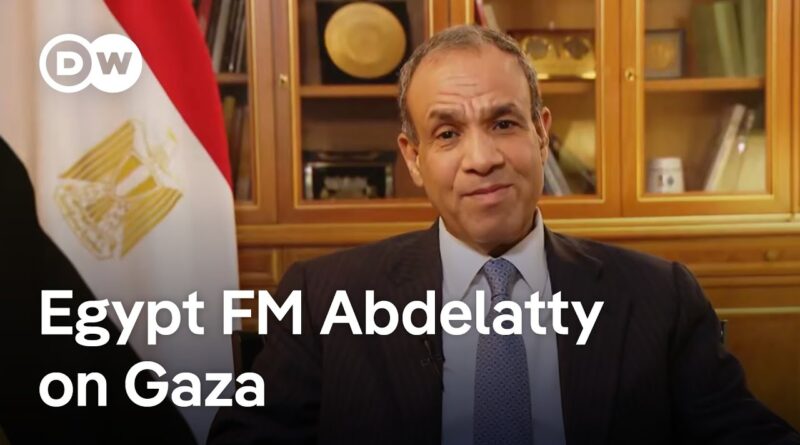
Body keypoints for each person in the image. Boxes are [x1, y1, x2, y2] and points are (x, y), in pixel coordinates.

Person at [208, 25, 799, 445]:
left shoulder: (659, 296)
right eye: (447, 134)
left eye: (503, 123)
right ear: (413, 158)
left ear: (542, 135)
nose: (482, 158)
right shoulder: (323, 298)